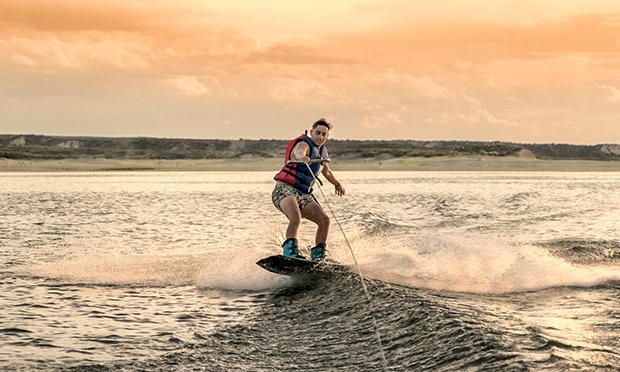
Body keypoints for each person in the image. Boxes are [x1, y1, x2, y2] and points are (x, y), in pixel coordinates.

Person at [272, 118, 345, 262]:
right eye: (318, 133)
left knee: (324, 220)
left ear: (327, 137)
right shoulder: (304, 144)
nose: (320, 137)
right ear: (311, 132)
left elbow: (327, 172)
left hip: (304, 194)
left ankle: (318, 256)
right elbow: (298, 152)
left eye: (324, 134)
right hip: (284, 189)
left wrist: (337, 184)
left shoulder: (323, 152)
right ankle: (290, 252)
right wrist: (303, 157)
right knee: (295, 216)